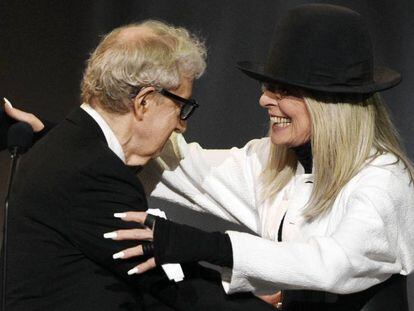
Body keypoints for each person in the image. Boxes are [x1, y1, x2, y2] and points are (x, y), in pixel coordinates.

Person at [3, 4, 414, 311]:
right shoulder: (272, 163)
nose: (263, 99)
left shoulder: (383, 179)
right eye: (267, 85)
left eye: (282, 90)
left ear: (330, 104)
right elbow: (172, 164)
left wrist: (205, 245)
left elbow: (334, 264)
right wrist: (68, 138)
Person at [1, 21, 275, 310]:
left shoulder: (75, 149)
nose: (181, 126)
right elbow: (164, 282)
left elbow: (162, 269)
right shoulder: (93, 172)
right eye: (182, 107)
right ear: (144, 101)